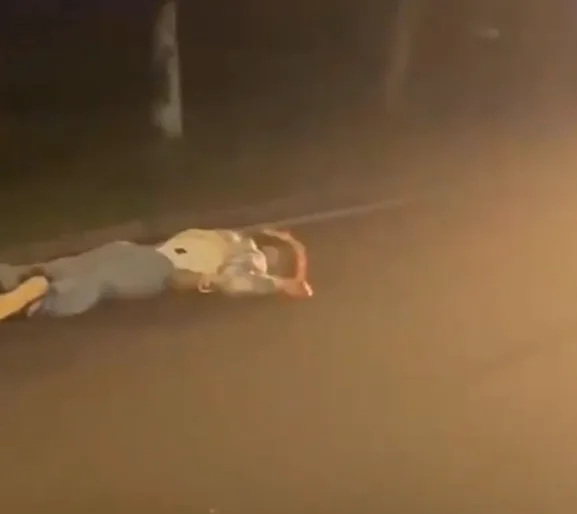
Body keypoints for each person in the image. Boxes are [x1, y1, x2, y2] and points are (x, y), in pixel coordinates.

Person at [0, 227, 312, 321]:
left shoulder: (220, 234)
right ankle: (41, 295)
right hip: (158, 267)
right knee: (91, 284)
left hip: (135, 250)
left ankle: (17, 278)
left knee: (71, 266)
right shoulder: (250, 253)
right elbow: (237, 281)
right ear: (274, 255)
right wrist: (283, 284)